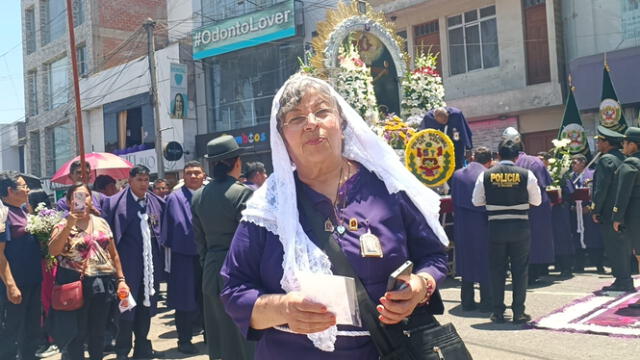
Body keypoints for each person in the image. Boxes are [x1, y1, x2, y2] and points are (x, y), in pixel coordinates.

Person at [219, 74, 449, 358]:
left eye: (322, 111)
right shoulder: (267, 208)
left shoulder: (387, 188)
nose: (311, 123)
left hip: (389, 349)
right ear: (282, 137)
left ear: (342, 123)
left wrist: (420, 286)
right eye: (296, 118)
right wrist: (282, 309)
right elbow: (234, 291)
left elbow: (434, 257)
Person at [191, 135, 255, 360]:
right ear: (236, 162)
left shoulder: (198, 196)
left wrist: (209, 262)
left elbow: (200, 242)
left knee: (219, 336)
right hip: (239, 271)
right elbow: (249, 242)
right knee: (243, 337)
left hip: (211, 269)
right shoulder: (243, 193)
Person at [48, 183, 129, 360]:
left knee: (98, 331)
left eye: (85, 195)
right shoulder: (63, 224)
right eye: (76, 197)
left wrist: (121, 279)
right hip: (74, 282)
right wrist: (69, 224)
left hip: (102, 282)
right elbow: (53, 251)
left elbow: (113, 254)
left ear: (91, 199)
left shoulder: (101, 222)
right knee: (77, 333)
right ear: (69, 201)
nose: (81, 200)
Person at [472, 140, 542, 323]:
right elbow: (537, 202)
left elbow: (476, 201)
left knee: (497, 270)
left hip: (496, 228)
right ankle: (519, 312)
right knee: (520, 271)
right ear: (517, 157)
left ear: (498, 156)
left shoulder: (485, 175)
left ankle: (497, 312)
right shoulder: (526, 174)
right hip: (520, 228)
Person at [102, 165, 165, 360]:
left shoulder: (156, 202)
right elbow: (107, 237)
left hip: (148, 267)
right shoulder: (114, 203)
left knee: (146, 308)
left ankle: (142, 347)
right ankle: (122, 350)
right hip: (126, 267)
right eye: (139, 180)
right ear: (129, 181)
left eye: (147, 180)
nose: (144, 184)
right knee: (125, 309)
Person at [160, 161, 205, 355]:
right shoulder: (174, 198)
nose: (193, 176)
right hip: (182, 257)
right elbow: (168, 232)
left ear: (203, 175)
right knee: (184, 301)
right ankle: (184, 340)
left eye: (197, 173)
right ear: (183, 177)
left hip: (208, 255)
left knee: (209, 300)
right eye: (189, 173)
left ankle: (211, 336)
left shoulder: (210, 195)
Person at [504, 128, 555, 283]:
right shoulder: (536, 161)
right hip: (538, 205)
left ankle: (526, 274)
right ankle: (539, 270)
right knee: (538, 239)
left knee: (521, 242)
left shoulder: (508, 165)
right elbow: (545, 183)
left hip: (518, 207)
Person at [0, 172, 42, 360]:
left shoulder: (24, 210)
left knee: (32, 327)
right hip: (14, 283)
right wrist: (10, 285)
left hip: (33, 279)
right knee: (11, 330)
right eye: (24, 186)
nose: (27, 190)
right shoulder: (4, 214)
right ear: (10, 190)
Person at [451, 146, 491, 311]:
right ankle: (486, 301)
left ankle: (467, 301)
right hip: (482, 223)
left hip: (462, 224)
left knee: (466, 260)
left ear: (473, 157)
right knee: (485, 262)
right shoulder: (487, 175)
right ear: (488, 161)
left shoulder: (457, 174)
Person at [591, 126, 630, 292]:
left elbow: (601, 189)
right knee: (624, 246)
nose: (598, 144)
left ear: (607, 143)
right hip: (624, 209)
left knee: (614, 247)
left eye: (599, 141)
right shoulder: (622, 157)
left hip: (609, 211)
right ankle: (624, 277)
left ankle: (622, 280)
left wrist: (595, 209)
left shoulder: (606, 160)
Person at [611, 127, 640, 293]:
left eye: (625, 142)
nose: (623, 145)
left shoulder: (630, 164)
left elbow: (623, 193)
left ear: (633, 145)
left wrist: (617, 216)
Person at [567, 154, 604, 273]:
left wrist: (590, 207)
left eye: (575, 162)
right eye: (571, 163)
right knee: (577, 238)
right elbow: (567, 195)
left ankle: (599, 264)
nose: (572, 165)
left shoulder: (592, 175)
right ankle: (579, 265)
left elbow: (597, 192)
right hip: (575, 212)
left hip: (589, 212)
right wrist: (572, 206)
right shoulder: (570, 177)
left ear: (583, 163)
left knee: (594, 238)